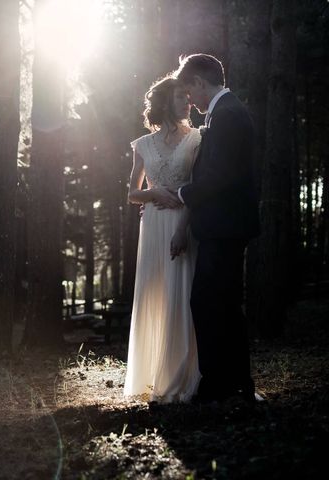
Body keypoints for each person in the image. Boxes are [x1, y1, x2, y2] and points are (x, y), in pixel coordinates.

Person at [168, 53, 261, 404]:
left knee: (208, 302)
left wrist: (181, 193)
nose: (191, 101)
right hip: (226, 224)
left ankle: (219, 383)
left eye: (191, 92)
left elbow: (220, 174)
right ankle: (235, 382)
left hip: (224, 225)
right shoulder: (226, 112)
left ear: (200, 83)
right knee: (223, 303)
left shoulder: (227, 115)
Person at [123, 75, 202, 403]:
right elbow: (132, 194)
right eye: (181, 98)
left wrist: (182, 224)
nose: (188, 102)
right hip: (153, 223)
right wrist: (154, 192)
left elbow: (199, 188)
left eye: (188, 97)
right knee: (156, 295)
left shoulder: (198, 139)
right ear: (165, 103)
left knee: (182, 294)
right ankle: (153, 372)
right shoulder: (142, 144)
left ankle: (183, 374)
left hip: (184, 221)